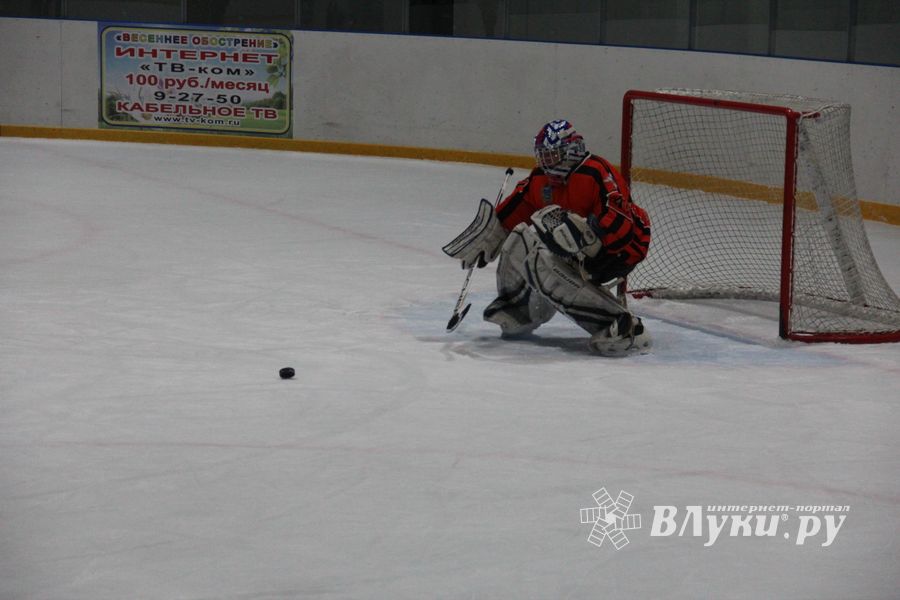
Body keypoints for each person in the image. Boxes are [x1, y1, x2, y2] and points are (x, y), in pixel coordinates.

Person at [443, 119, 652, 356]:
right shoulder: (540, 179)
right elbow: (514, 210)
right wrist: (489, 235)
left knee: (545, 260)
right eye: (542, 157)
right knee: (519, 237)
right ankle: (521, 309)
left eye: (551, 156)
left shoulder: (596, 172)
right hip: (581, 245)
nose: (545, 163)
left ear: (571, 152)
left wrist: (590, 239)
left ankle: (623, 326)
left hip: (619, 249)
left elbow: (619, 218)